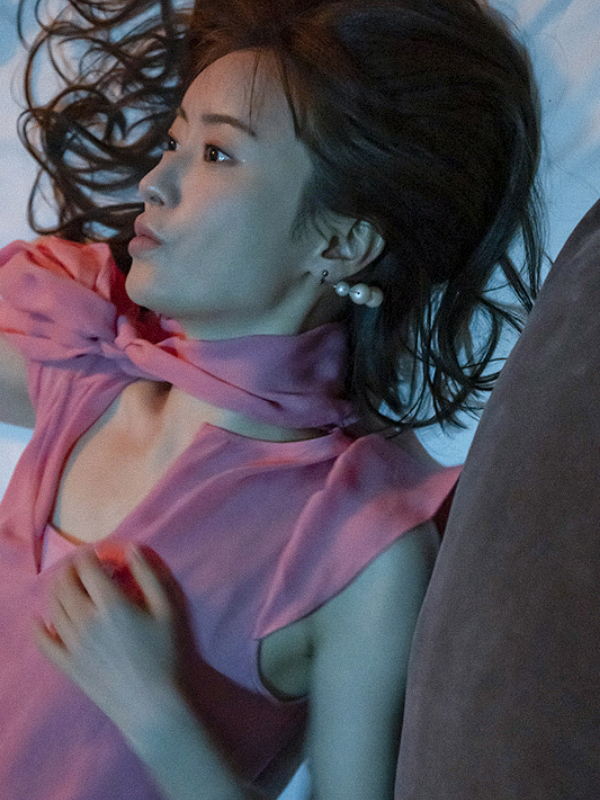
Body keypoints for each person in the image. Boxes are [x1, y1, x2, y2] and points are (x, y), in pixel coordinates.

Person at [0, 0, 542, 798]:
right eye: (174, 141)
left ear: (341, 241)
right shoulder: (82, 365)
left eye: (217, 153)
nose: (155, 183)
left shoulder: (355, 548)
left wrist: (157, 717)